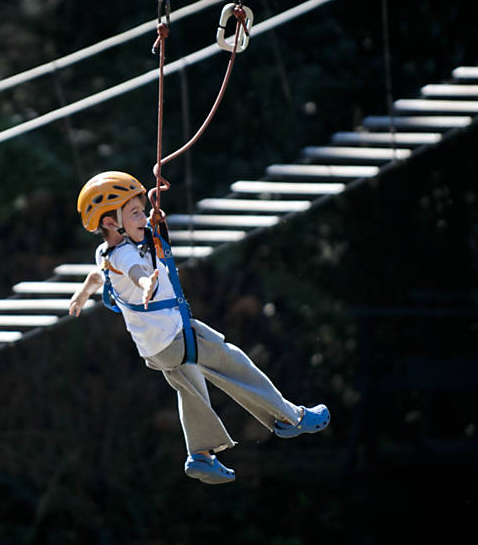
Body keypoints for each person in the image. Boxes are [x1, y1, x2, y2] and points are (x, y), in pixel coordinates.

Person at [68, 171, 329, 484]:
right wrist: (145, 282)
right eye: (134, 213)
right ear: (111, 223)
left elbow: (101, 275)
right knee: (234, 364)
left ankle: (200, 456)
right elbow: (135, 269)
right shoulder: (125, 255)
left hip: (155, 349)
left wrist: (82, 294)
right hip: (176, 338)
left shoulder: (106, 252)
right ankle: (290, 417)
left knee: (191, 388)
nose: (142, 218)